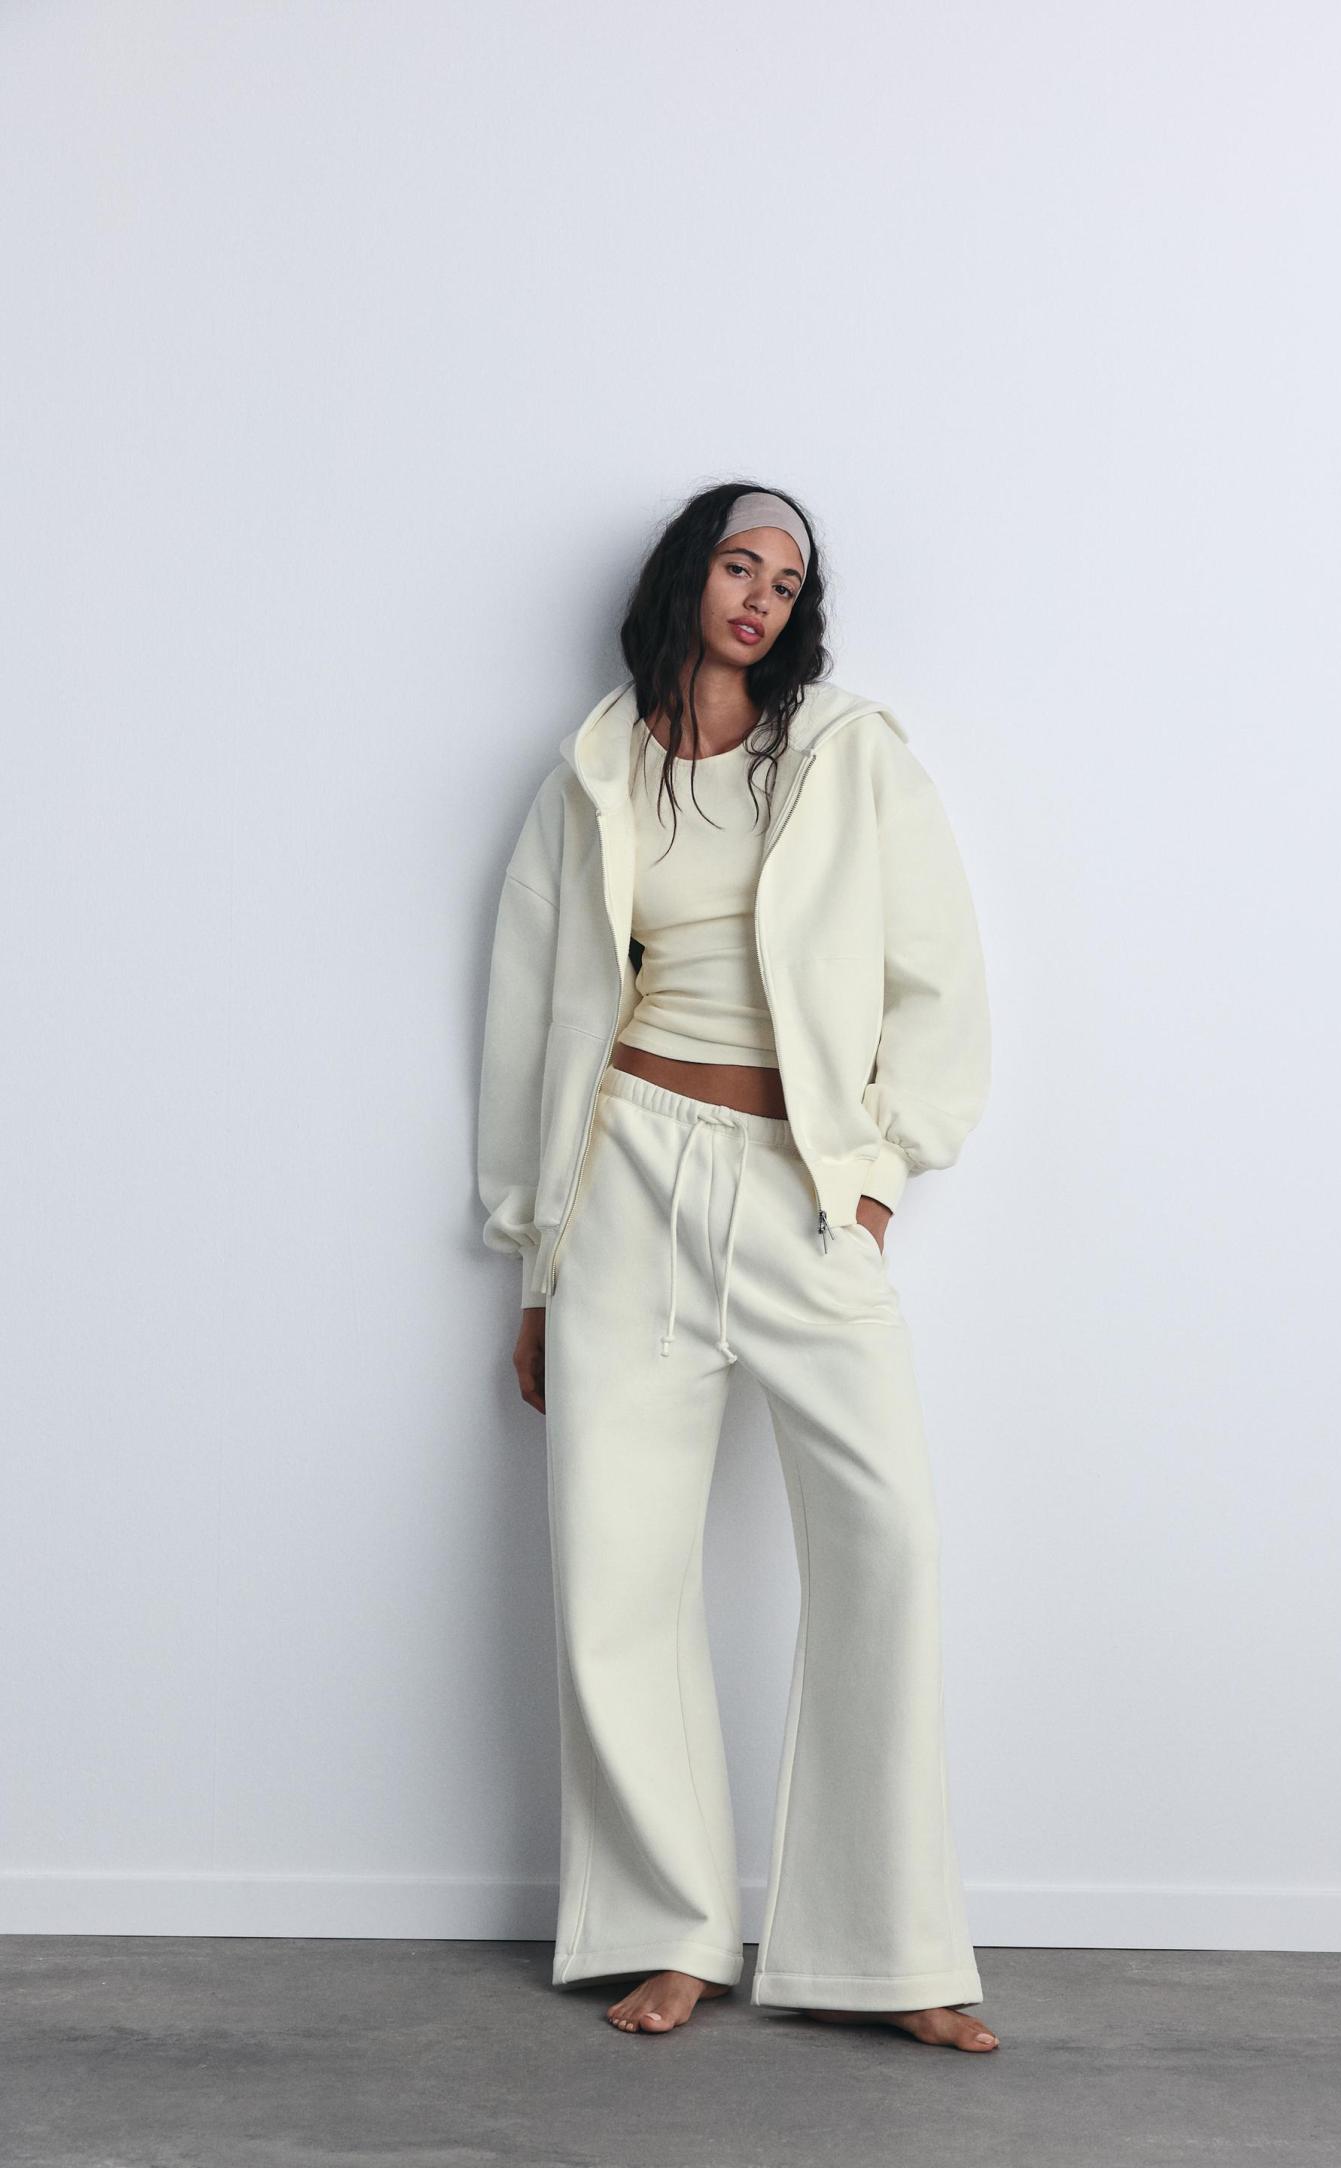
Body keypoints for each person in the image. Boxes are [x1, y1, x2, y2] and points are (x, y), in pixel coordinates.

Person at [475, 483, 999, 2053]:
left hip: (797, 1191)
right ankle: (669, 1928)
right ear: (684, 577)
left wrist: (875, 1186)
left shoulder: (845, 753)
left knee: (884, 1543)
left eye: (787, 579)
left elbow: (937, 981)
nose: (762, 595)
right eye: (738, 564)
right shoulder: (591, 771)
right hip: (624, 1177)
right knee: (616, 1572)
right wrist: (539, 1267)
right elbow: (531, 1025)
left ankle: (887, 1950)